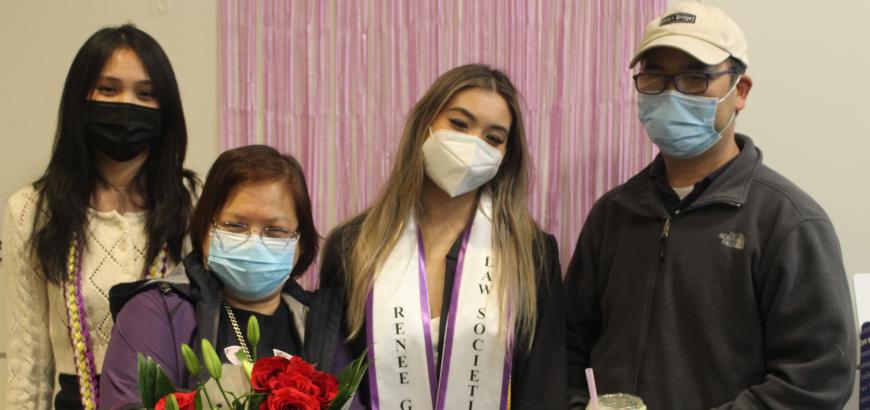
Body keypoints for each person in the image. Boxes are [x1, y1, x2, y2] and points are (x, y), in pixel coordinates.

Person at [564, 3, 855, 409]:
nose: (670, 93)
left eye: (694, 78)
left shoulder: (789, 223)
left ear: (740, 91)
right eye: (654, 78)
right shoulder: (614, 213)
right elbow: (568, 346)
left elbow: (814, 381)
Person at [311, 64, 565, 409]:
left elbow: (542, 386)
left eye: (493, 138)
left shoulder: (531, 253)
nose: (473, 144)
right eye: (459, 124)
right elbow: (335, 375)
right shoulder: (353, 245)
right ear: (425, 125)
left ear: (506, 156)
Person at [3, 24, 197, 410]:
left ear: (166, 109)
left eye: (146, 94)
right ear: (81, 99)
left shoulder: (195, 202)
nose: (127, 104)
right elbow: (29, 359)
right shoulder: (31, 210)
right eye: (108, 89)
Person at [99, 145, 321, 409]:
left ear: (301, 243)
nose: (254, 242)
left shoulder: (321, 322)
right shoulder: (153, 313)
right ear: (205, 230)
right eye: (235, 225)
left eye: (275, 230)